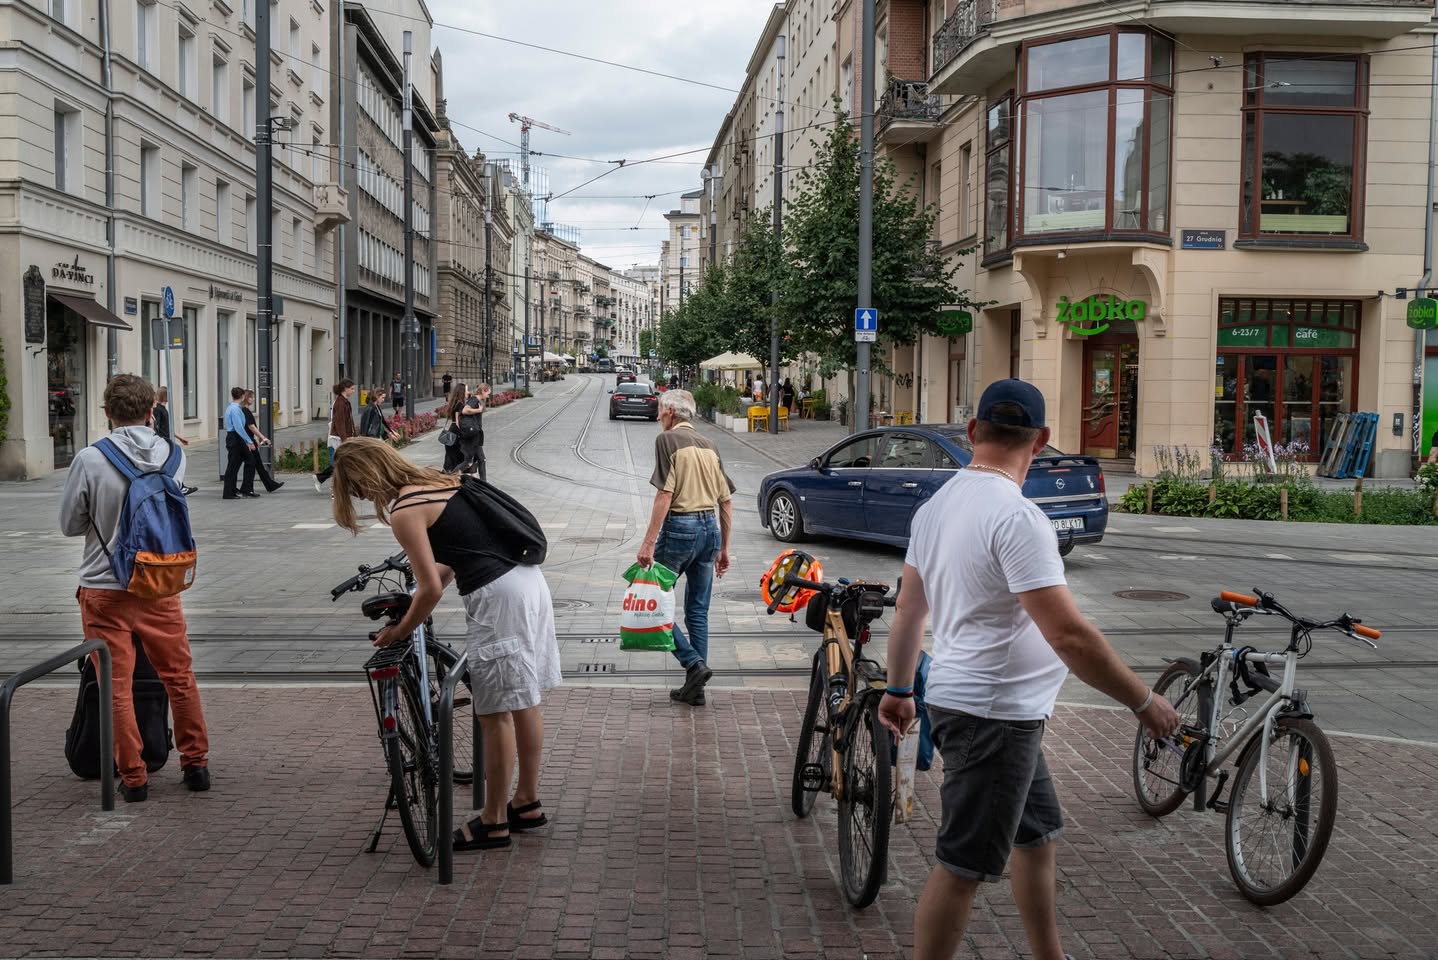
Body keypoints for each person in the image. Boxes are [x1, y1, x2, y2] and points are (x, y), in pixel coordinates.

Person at [878, 379, 1180, 960]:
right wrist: (1145, 701)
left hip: (990, 709)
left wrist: (898, 689)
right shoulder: (1018, 519)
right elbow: (1070, 637)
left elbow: (909, 614)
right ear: (1039, 441)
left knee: (1036, 835)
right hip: (994, 716)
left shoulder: (936, 507)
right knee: (962, 866)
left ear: (972, 433)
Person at [331, 437, 561, 851]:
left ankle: (493, 821)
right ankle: (526, 802)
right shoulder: (439, 482)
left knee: (494, 713)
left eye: (354, 487)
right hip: (526, 582)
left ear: (365, 476)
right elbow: (459, 553)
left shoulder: (404, 510)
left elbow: (431, 588)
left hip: (496, 598)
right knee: (525, 700)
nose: (360, 496)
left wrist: (401, 630)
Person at [59, 374, 211, 802]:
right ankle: (196, 764)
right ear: (152, 412)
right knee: (178, 676)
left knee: (116, 685)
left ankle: (134, 776)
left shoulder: (91, 458)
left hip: (104, 589)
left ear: (106, 413)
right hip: (159, 583)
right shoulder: (173, 456)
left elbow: (69, 524)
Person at [637, 389, 734, 706]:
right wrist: (724, 548)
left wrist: (648, 542)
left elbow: (665, 494)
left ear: (669, 411)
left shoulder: (667, 441)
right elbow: (726, 500)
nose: (657, 416)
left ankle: (693, 665)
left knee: (651, 599)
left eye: (659, 410)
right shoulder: (711, 445)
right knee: (698, 611)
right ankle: (696, 689)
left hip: (681, 528)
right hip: (710, 531)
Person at [151, 386, 198, 496]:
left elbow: (167, 427)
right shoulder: (158, 409)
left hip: (167, 440)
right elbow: (156, 426)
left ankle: (180, 485)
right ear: (164, 396)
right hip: (163, 441)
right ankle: (178, 486)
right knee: (171, 463)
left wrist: (179, 437)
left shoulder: (163, 409)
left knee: (173, 463)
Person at [314, 379, 356, 491]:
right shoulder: (340, 403)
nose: (353, 391)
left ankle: (326, 481)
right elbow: (340, 422)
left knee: (341, 463)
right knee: (339, 463)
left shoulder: (344, 402)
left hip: (340, 437)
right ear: (345, 389)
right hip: (338, 438)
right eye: (352, 388)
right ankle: (334, 487)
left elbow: (347, 422)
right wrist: (345, 439)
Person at [240, 390, 284, 493]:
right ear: (247, 398)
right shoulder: (246, 411)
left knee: (257, 465)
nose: (253, 399)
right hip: (248, 442)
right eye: (252, 397)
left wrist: (255, 439)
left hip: (249, 440)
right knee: (252, 464)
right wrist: (263, 438)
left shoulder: (244, 411)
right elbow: (251, 427)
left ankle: (270, 485)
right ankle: (247, 488)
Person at [221, 386, 257, 499]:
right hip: (236, 438)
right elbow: (239, 427)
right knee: (241, 463)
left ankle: (233, 489)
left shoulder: (230, 408)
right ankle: (232, 491)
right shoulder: (236, 410)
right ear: (242, 396)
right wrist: (249, 441)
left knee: (235, 464)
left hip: (233, 438)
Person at [458, 384, 489, 480]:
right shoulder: (474, 400)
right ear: (483, 391)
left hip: (476, 434)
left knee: (481, 459)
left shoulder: (477, 400)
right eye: (488, 393)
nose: (488, 395)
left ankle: (484, 482)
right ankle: (450, 476)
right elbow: (464, 410)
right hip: (472, 435)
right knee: (468, 462)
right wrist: (478, 410)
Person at [441, 382, 470, 474]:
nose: (468, 392)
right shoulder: (460, 404)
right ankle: (455, 476)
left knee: (450, 455)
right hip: (456, 432)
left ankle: (447, 475)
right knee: (459, 456)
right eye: (466, 390)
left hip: (451, 430)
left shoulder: (455, 403)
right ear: (462, 392)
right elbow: (458, 422)